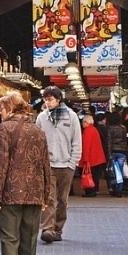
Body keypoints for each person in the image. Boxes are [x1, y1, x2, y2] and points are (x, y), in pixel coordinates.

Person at [0, 92, 53, 255]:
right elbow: (46, 164)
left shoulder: (3, 129)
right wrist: (45, 196)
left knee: (9, 241)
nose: (0, 112)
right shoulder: (37, 130)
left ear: (9, 108)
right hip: (34, 195)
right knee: (29, 242)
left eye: (2, 108)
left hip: (10, 194)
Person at [36, 86, 82, 244]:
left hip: (66, 165)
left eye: (50, 99)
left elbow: (76, 141)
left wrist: (72, 162)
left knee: (62, 200)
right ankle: (47, 228)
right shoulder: (42, 117)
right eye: (45, 99)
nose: (47, 102)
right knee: (48, 198)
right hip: (48, 164)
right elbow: (37, 141)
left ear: (58, 99)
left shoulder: (71, 116)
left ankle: (58, 228)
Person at [79, 115, 107, 197]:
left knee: (89, 175)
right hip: (97, 158)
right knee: (95, 176)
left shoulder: (87, 131)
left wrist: (85, 159)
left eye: (83, 122)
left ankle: (90, 191)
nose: (82, 124)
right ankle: (94, 190)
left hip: (91, 158)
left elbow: (86, 146)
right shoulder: (94, 129)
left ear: (86, 122)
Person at [105, 111, 128, 197]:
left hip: (113, 151)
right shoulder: (123, 128)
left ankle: (115, 189)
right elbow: (125, 140)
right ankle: (119, 189)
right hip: (122, 151)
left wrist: (108, 154)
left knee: (114, 172)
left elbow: (109, 142)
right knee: (120, 171)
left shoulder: (110, 128)